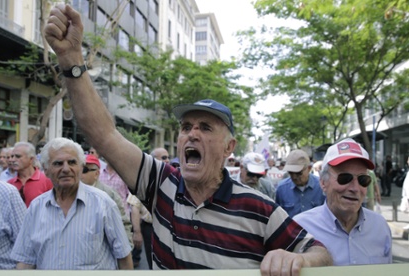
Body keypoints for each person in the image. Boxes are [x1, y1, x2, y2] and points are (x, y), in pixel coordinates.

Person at [44, 4, 333, 272]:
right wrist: (71, 60)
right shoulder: (160, 184)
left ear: (228, 148)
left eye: (205, 128)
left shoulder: (260, 209)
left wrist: (296, 258)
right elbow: (104, 134)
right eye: (186, 127)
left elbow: (321, 254)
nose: (192, 134)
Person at [10, 137, 133, 269]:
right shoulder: (36, 207)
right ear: (45, 170)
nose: (66, 169)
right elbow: (25, 260)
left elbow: (123, 256)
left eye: (72, 162)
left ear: (81, 168)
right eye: (58, 163)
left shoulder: (103, 203)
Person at [294, 138, 392, 265]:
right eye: (345, 178)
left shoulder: (380, 227)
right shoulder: (299, 228)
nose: (355, 188)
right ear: (323, 182)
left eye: (363, 180)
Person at [80, 154, 133, 249]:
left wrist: (127, 249)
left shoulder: (109, 194)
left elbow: (123, 224)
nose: (79, 174)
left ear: (96, 174)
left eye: (84, 170)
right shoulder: (71, 192)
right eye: (78, 169)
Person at [275, 150, 325, 217]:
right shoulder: (281, 189)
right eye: (290, 173)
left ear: (309, 168)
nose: (294, 177)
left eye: (298, 173)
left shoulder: (322, 186)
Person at [7, 142, 53, 207]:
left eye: (18, 156)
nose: (12, 160)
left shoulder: (47, 180)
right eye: (12, 156)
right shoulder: (9, 184)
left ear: (31, 159)